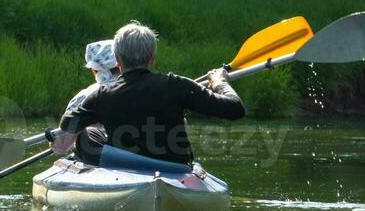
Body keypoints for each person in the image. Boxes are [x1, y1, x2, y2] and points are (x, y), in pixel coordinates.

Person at [50, 21, 244, 166]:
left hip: (125, 166)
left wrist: (94, 118)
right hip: (175, 167)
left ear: (117, 60)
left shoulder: (100, 96)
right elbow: (235, 109)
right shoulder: (178, 85)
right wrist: (219, 82)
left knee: (86, 135)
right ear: (152, 57)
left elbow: (67, 125)